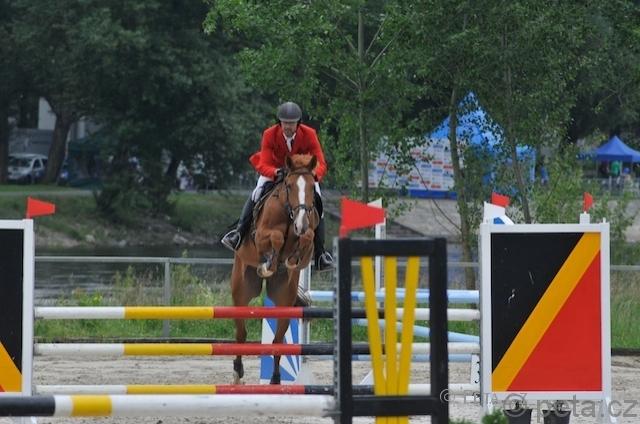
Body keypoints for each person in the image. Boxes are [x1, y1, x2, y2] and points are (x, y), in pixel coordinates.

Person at [221, 101, 334, 271]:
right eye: (284, 123)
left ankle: (320, 253)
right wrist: (275, 172)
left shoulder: (309, 134)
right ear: (280, 122)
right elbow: (263, 163)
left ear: (298, 123)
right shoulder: (270, 134)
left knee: (318, 199)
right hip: (275, 171)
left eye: (291, 123)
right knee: (257, 193)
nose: (287, 126)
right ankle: (238, 233)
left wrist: (313, 174)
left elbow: (321, 162)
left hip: (301, 175)